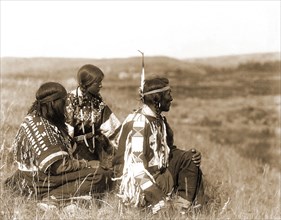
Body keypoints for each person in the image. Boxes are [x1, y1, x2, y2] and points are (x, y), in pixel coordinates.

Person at [4, 82, 112, 204]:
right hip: (39, 180)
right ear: (53, 103)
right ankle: (53, 197)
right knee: (100, 175)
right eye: (64, 102)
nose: (66, 106)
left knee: (100, 170)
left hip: (27, 177)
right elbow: (59, 167)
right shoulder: (42, 127)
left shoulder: (36, 118)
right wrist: (86, 165)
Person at [113, 77, 204, 214]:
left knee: (190, 159)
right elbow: (135, 168)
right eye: (168, 94)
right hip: (139, 186)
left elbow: (166, 150)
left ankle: (182, 210)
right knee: (161, 207)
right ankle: (159, 207)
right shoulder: (139, 124)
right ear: (157, 98)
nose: (171, 99)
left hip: (158, 174)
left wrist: (189, 156)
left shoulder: (158, 119)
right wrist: (157, 197)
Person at [65, 64, 121, 170]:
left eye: (101, 82)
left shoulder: (97, 100)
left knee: (108, 171)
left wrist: (124, 141)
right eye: (98, 82)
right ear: (86, 83)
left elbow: (110, 125)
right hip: (76, 149)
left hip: (96, 145)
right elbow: (67, 132)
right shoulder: (70, 101)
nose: (101, 85)